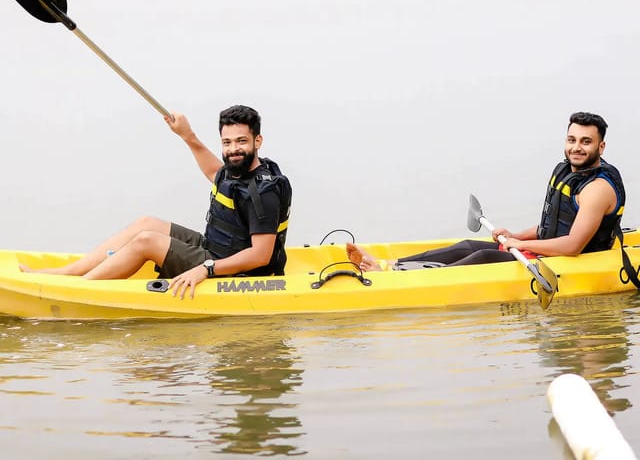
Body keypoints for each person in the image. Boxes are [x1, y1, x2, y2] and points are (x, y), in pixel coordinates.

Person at [20, 105, 292, 298]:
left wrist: (205, 269)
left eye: (241, 141)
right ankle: (67, 273)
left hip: (237, 270)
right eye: (227, 142)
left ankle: (72, 293)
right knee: (146, 224)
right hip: (218, 247)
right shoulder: (239, 169)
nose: (233, 150)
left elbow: (261, 255)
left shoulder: (263, 192)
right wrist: (187, 135)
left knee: (146, 241)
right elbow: (214, 173)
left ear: (258, 141)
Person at [347, 112, 625, 272]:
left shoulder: (597, 189)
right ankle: (389, 265)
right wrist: (516, 236)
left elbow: (572, 245)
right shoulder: (567, 171)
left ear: (600, 147)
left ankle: (393, 279)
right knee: (467, 246)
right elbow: (553, 226)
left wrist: (521, 245)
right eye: (572, 139)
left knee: (483, 258)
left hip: (576, 263)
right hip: (546, 252)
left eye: (586, 142)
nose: (577, 147)